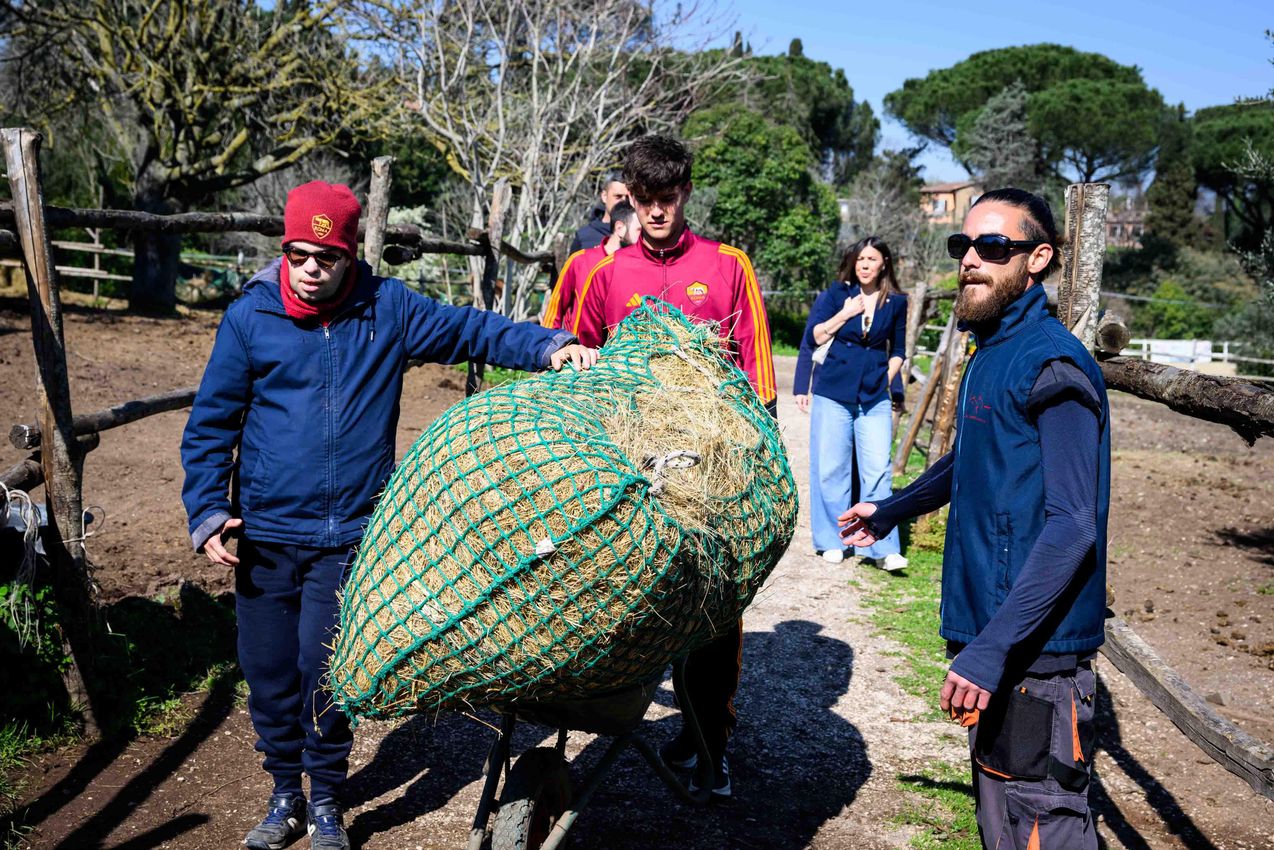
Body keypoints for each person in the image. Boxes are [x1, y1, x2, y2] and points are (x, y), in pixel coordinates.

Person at [180, 181, 596, 850]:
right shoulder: (251, 318)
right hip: (262, 534)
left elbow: (471, 328)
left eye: (326, 255)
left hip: (348, 536)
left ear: (350, 255)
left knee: (327, 673)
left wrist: (549, 347)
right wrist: (208, 511)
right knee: (266, 670)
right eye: (298, 254)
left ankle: (326, 801)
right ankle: (285, 794)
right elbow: (210, 424)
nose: (311, 267)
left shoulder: (387, 309)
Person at [840, 188, 1110, 850]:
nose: (971, 260)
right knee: (1000, 820)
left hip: (1035, 656)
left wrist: (993, 651)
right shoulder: (994, 351)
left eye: (994, 248)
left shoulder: (1052, 364)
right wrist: (893, 508)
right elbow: (973, 460)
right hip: (999, 641)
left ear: (1037, 258)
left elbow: (1074, 524)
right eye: (964, 246)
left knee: (1042, 823)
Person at [571, 134, 776, 799]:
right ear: (627, 197)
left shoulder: (727, 266)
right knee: (628, 597)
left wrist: (753, 458)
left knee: (714, 610)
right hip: (631, 471)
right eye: (645, 200)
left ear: (686, 192)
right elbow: (579, 365)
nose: (657, 211)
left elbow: (758, 374)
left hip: (710, 468)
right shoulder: (605, 274)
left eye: (669, 198)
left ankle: (708, 737)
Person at [793, 236, 909, 571]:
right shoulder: (837, 294)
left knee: (877, 471)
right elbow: (814, 336)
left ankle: (883, 547)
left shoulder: (896, 301)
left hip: (874, 397)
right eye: (860, 259)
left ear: (883, 263)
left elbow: (898, 350)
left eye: (871, 259)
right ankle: (833, 540)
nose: (865, 265)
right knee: (832, 469)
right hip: (833, 392)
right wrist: (845, 314)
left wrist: (886, 381)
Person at [541, 200, 640, 330]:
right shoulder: (580, 261)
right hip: (579, 347)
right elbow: (555, 309)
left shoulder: (639, 268)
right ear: (619, 228)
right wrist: (551, 345)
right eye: (640, 230)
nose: (645, 237)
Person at [568, 171, 629, 253]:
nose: (624, 201)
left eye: (628, 197)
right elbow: (573, 265)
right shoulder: (585, 236)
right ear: (604, 196)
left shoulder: (639, 236)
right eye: (618, 196)